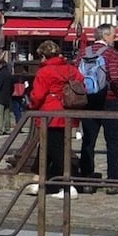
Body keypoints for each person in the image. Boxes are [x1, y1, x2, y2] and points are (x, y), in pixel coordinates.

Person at [27, 40, 83, 199]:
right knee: (47, 146)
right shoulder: (71, 69)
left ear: (44, 56)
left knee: (55, 149)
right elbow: (81, 82)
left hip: (50, 113)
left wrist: (31, 104)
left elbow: (37, 95)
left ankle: (68, 186)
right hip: (68, 111)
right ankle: (38, 180)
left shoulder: (44, 72)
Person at [77, 24, 118, 195]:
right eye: (113, 35)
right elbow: (115, 76)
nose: (115, 38)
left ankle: (86, 181)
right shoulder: (112, 54)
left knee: (88, 142)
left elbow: (77, 75)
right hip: (109, 101)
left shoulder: (84, 52)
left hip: (88, 100)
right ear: (105, 36)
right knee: (113, 142)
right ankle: (113, 181)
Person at [0, 51, 22, 135]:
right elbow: (12, 86)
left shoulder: (1, 74)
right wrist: (10, 93)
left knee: (0, 114)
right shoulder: (9, 74)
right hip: (7, 97)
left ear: (0, 65)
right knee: (7, 113)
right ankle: (7, 129)